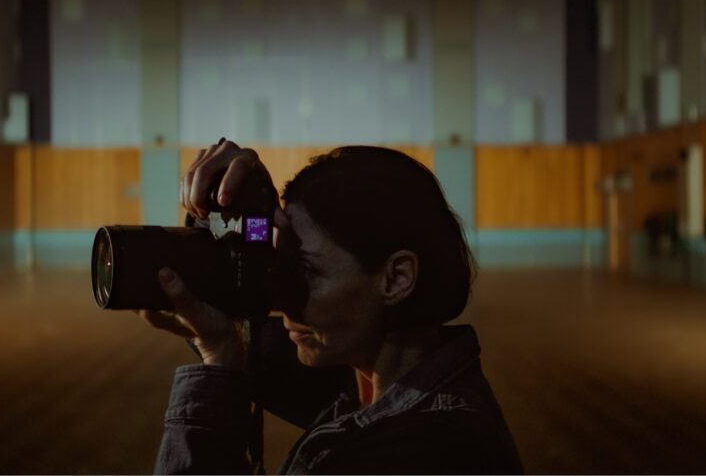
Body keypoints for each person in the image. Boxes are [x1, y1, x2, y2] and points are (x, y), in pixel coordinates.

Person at [139, 139, 522, 474]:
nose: (280, 296)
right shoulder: (372, 380)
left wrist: (219, 360)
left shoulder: (421, 452)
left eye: (305, 270)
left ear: (396, 278)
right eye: (280, 266)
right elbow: (245, 346)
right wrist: (230, 207)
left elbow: (239, 359)